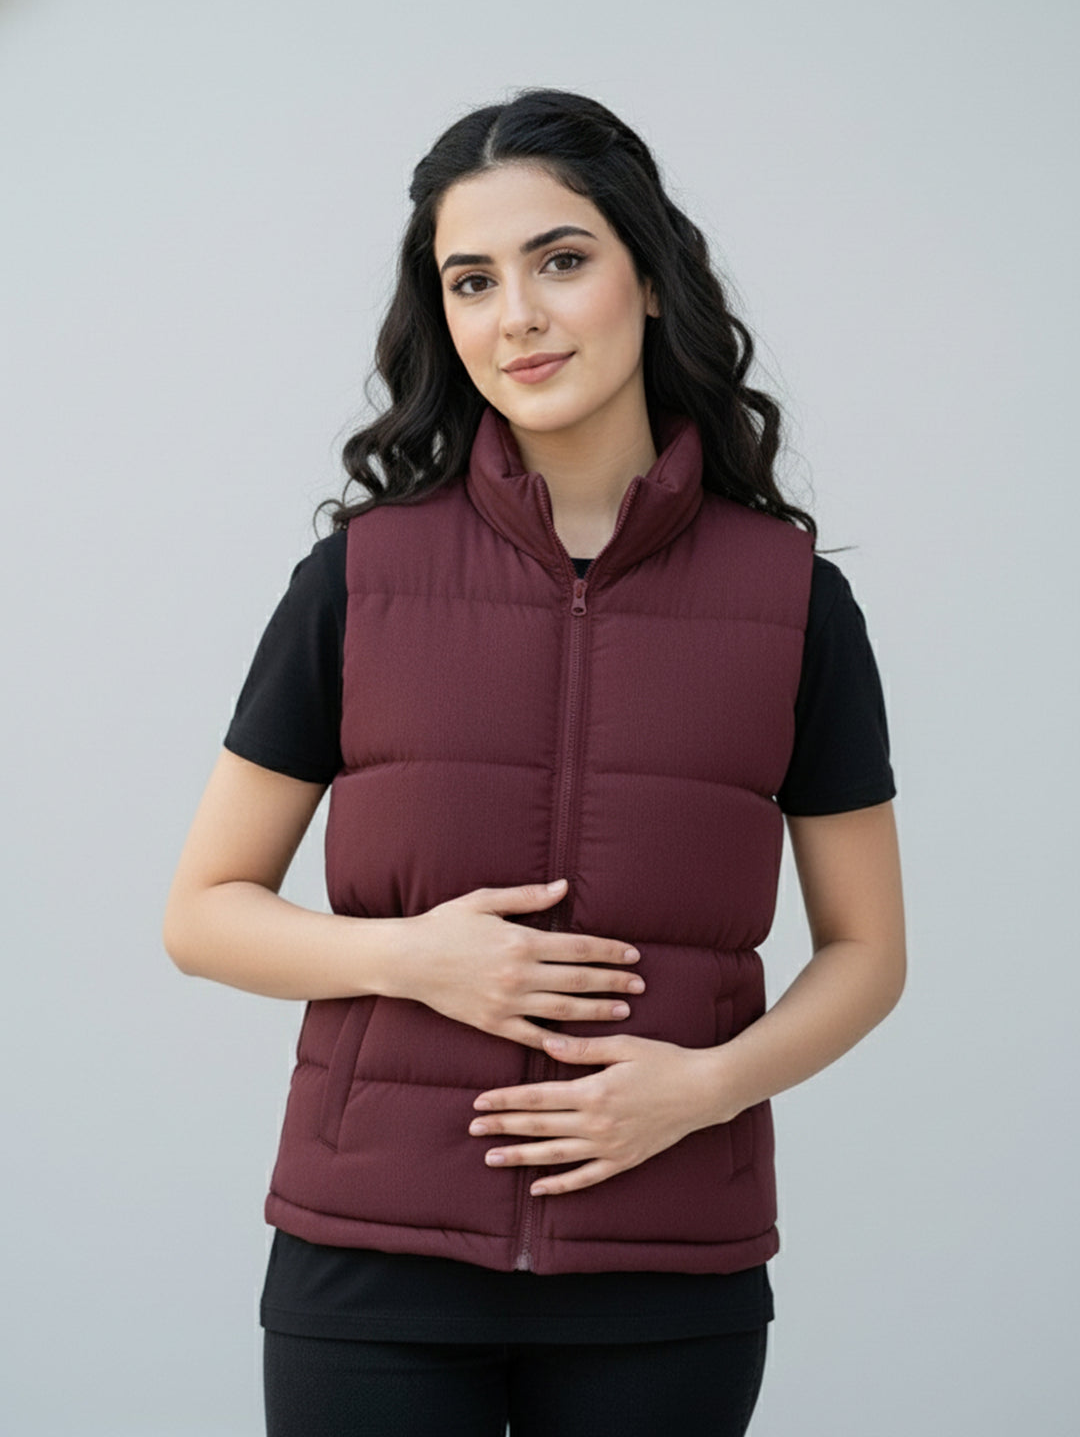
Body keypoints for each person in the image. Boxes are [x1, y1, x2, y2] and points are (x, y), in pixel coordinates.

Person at [163, 87, 906, 1437]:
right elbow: (202, 912)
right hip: (372, 1258)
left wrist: (704, 1086)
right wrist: (410, 957)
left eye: (562, 260)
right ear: (443, 319)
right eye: (472, 279)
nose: (518, 314)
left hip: (667, 1270)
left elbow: (869, 950)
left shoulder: (793, 602)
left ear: (652, 282)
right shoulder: (359, 583)